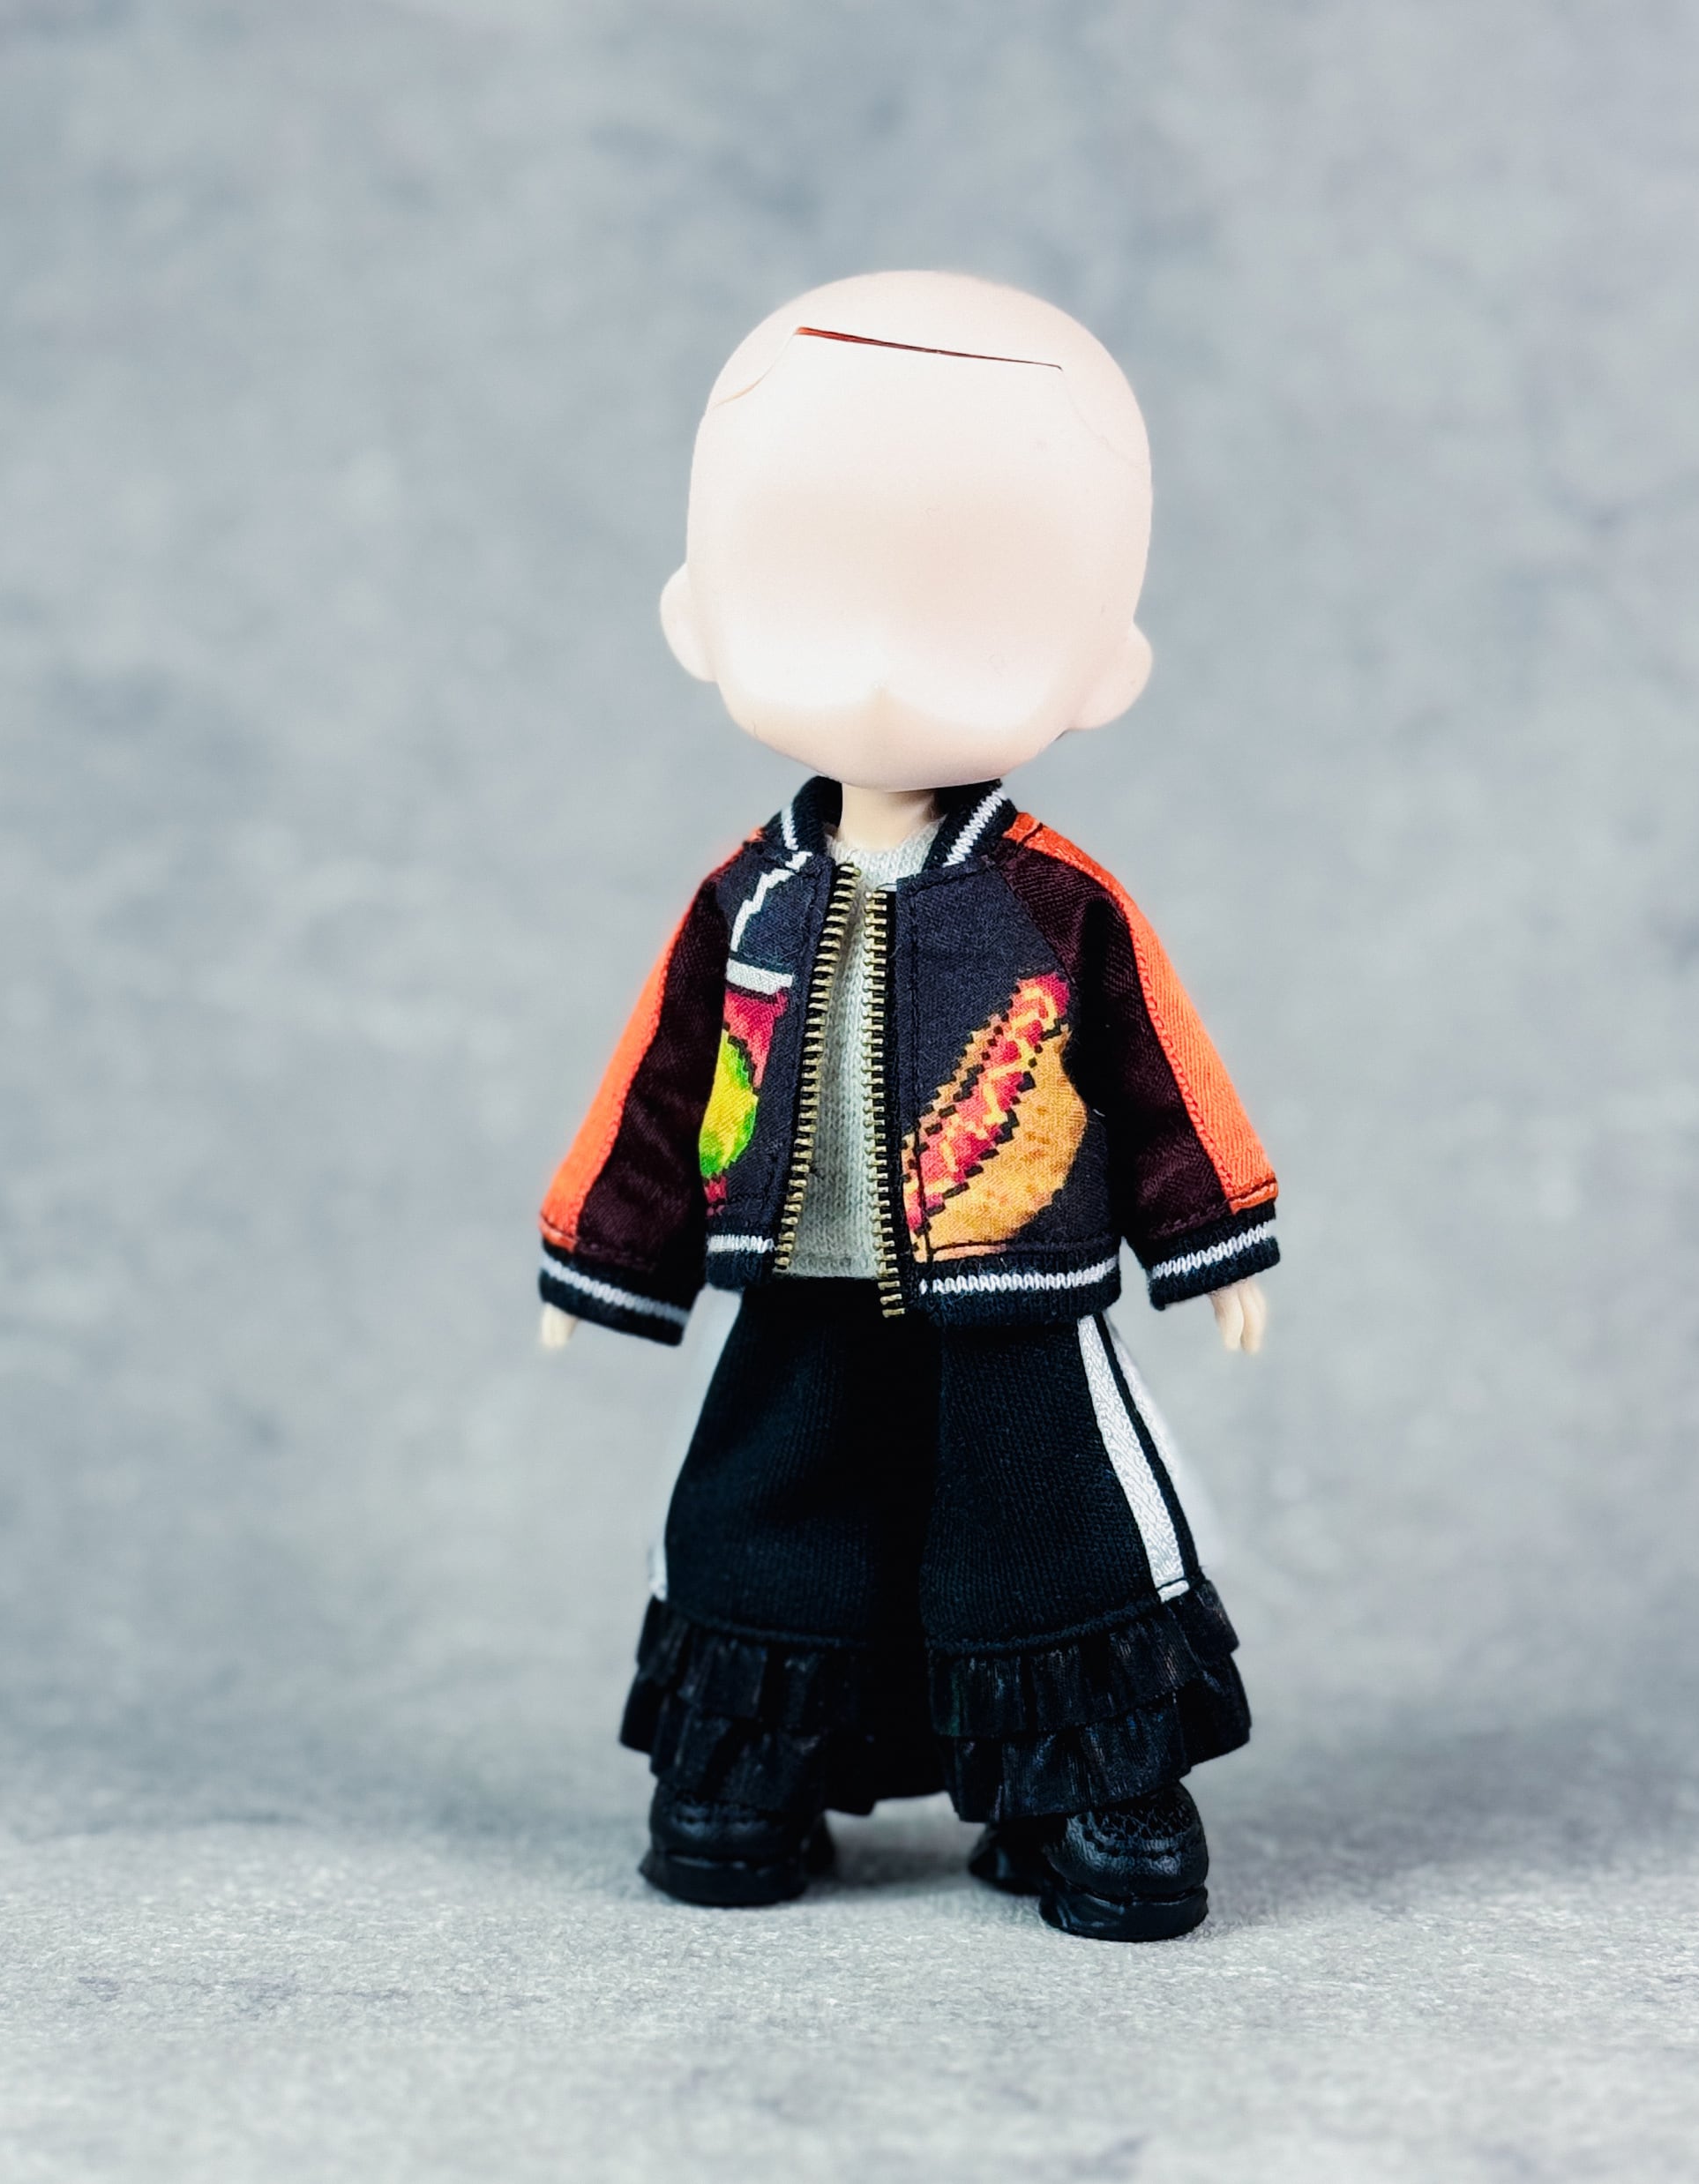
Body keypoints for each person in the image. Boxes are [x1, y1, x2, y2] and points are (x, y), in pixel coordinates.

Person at [538, 271, 1277, 1941]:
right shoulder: (747, 894)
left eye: (981, 606)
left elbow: (1161, 1069)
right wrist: (603, 1257)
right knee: (759, 1514)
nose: (881, 665)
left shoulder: (1054, 901)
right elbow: (659, 1082)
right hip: (794, 1281)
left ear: (1107, 661)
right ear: (697, 615)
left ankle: (1086, 1789)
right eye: (807, 586)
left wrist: (1213, 1239)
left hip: (1014, 1287)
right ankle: (745, 1771)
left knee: (1054, 1534)